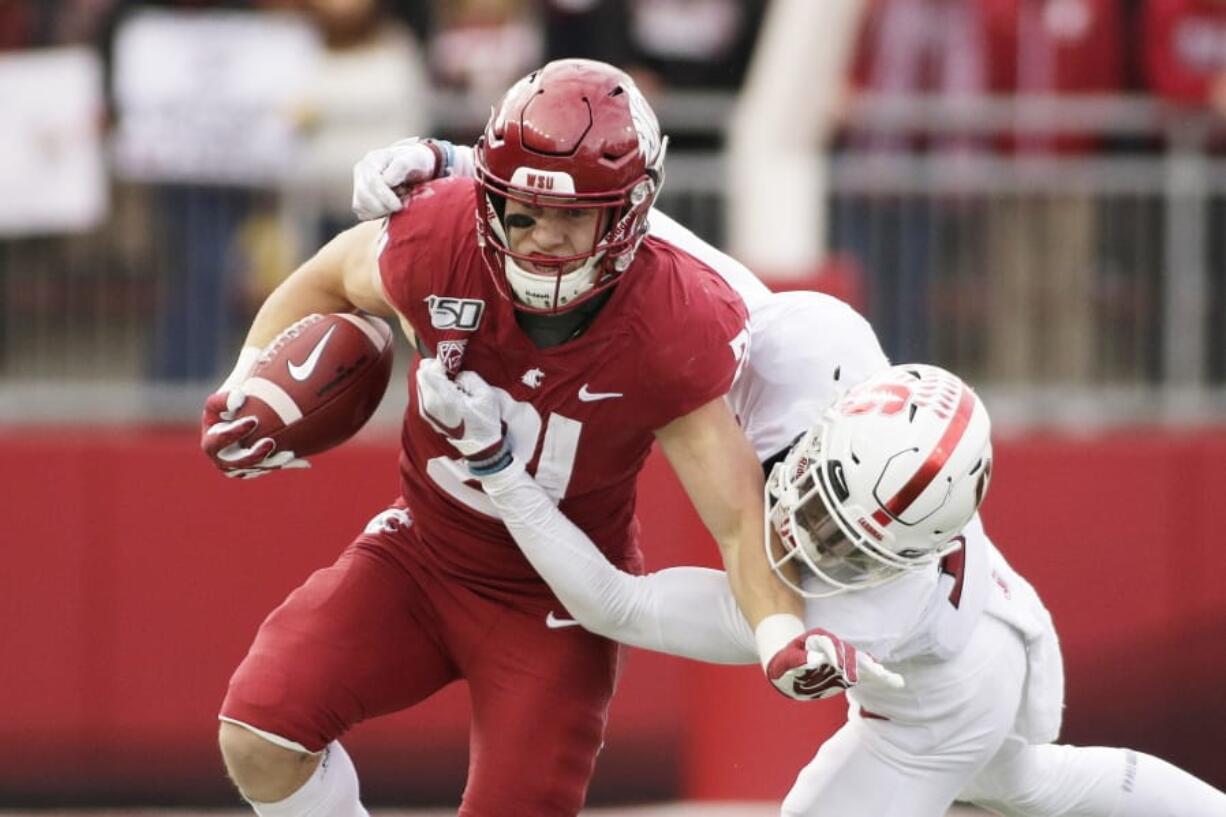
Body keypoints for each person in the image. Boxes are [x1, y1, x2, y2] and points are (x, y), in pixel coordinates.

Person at [200, 59, 803, 817]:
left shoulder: (670, 317)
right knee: (260, 731)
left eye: (574, 215)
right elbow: (330, 276)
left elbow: (738, 518)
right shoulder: (443, 234)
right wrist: (246, 379)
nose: (545, 239)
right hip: (421, 552)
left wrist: (780, 631)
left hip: (557, 599)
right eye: (523, 211)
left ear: (625, 215)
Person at [417, 357, 1226, 817]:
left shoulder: (845, 608)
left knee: (994, 780)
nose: (813, 537)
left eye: (851, 543)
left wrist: (499, 469)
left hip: (942, 704)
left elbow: (612, 602)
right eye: (827, 501)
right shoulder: (824, 355)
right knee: (1028, 782)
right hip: (1011, 620)